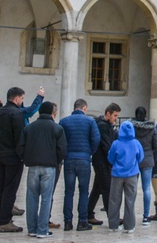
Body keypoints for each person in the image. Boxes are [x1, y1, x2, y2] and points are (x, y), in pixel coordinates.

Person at [18, 102, 67, 240]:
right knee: (46, 198)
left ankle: (32, 229)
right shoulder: (57, 128)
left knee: (31, 197)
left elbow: (21, 146)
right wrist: (57, 161)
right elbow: (62, 149)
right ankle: (42, 229)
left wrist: (26, 158)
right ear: (52, 112)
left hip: (33, 166)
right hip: (49, 166)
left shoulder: (29, 127)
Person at [59, 99, 100, 231]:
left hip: (69, 159)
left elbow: (61, 141)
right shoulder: (90, 121)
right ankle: (82, 221)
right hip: (84, 159)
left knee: (68, 192)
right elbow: (96, 139)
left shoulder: (64, 121)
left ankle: (68, 221)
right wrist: (89, 152)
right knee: (83, 191)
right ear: (84, 108)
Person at [0, 86, 27, 233]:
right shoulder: (16, 114)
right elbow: (19, 137)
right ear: (17, 98)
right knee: (9, 189)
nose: (22, 101)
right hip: (12, 156)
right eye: (22, 99)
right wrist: (23, 155)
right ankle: (5, 221)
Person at [107, 120, 144, 233]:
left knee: (114, 200)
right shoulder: (136, 143)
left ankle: (113, 225)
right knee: (130, 200)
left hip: (117, 174)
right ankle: (129, 226)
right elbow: (141, 157)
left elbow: (110, 159)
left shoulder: (116, 143)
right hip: (132, 174)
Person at [87, 103, 120, 226]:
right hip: (102, 162)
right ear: (108, 114)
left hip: (103, 162)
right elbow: (107, 146)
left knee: (97, 189)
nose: (116, 118)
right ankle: (113, 218)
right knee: (107, 189)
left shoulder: (107, 126)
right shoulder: (102, 126)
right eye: (115, 115)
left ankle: (88, 214)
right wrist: (113, 159)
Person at [130, 107, 157, 225]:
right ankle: (146, 216)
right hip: (147, 160)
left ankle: (130, 214)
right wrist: (153, 158)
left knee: (132, 188)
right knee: (146, 188)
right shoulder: (152, 128)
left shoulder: (132, 127)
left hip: (134, 160)